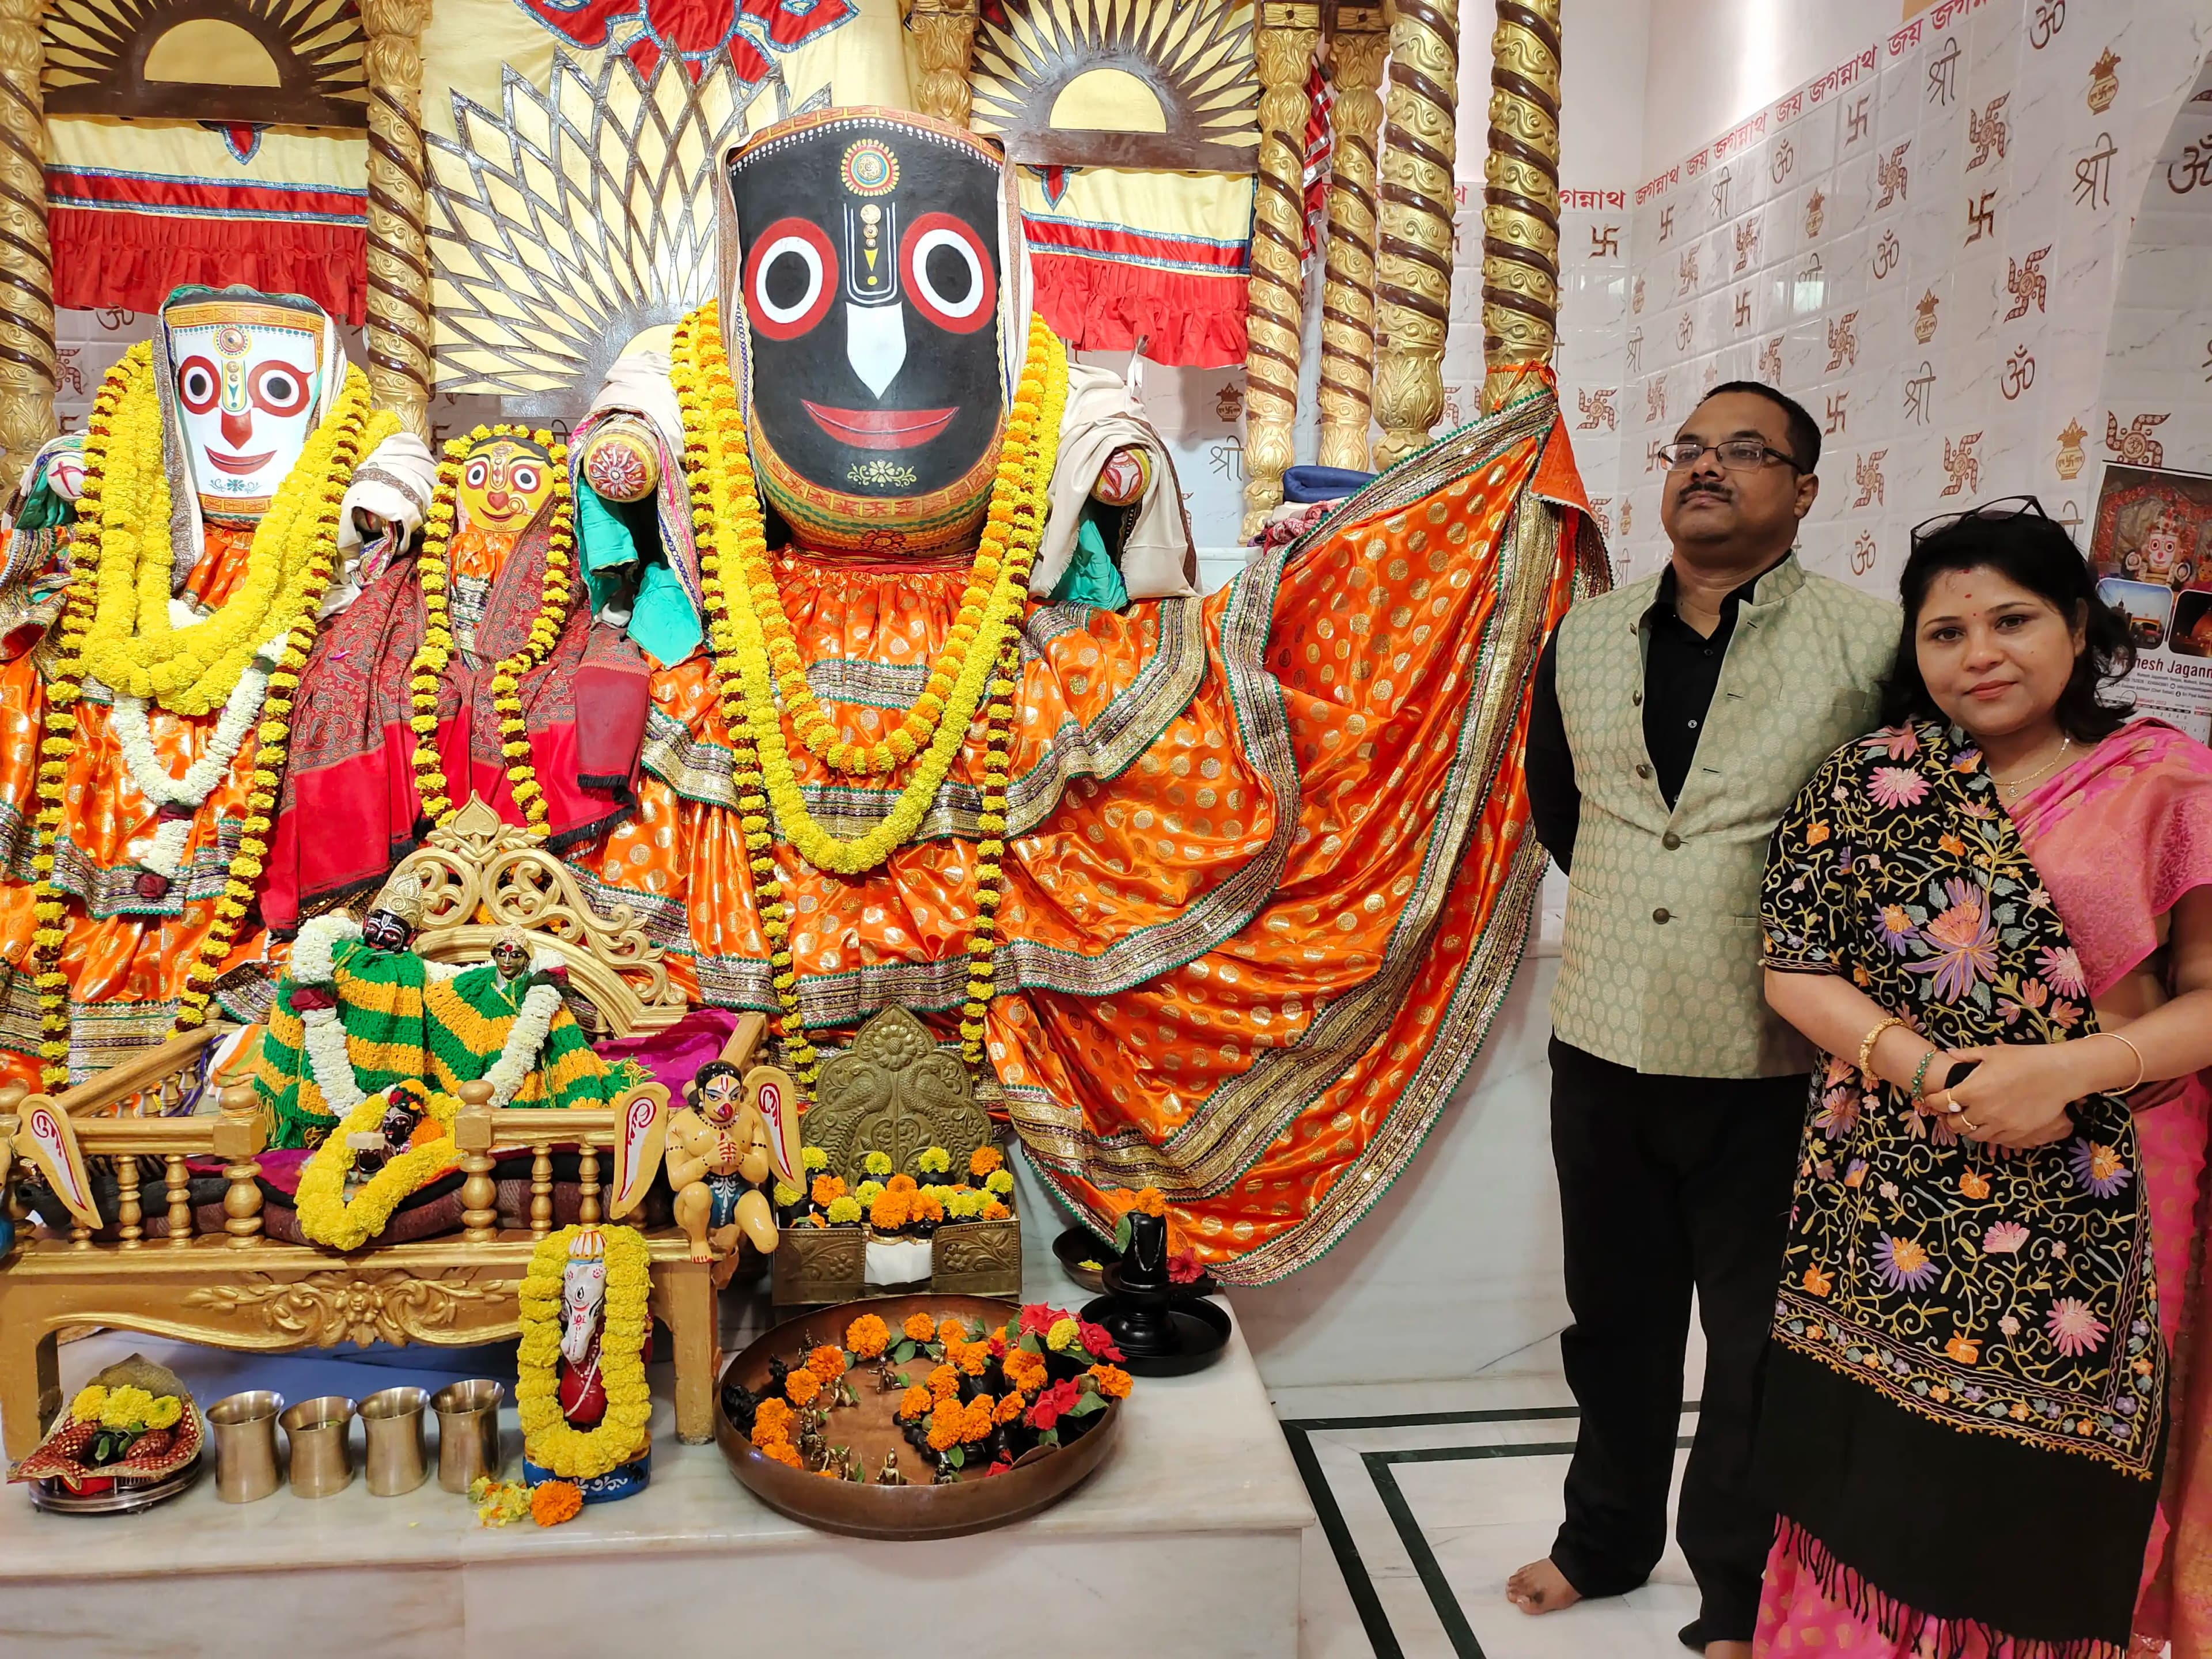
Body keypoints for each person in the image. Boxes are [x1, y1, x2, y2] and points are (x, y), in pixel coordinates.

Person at [1751, 498, 2212, 1657]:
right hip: (1898, 1181)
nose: (1980, 654)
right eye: (1945, 633)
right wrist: (1939, 1074)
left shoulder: (2164, 780)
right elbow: (1794, 967)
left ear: (2081, 627)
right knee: (1879, 1467)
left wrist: (2064, 1071)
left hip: (2112, 1191)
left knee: (2052, 1491)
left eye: (2012, 620)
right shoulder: (1873, 779)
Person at [1512, 382, 1897, 1659]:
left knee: (1757, 1350)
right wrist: (1649, 903)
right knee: (1612, 1323)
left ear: (1804, 490)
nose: (1710, 470)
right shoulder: (1586, 635)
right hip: (1604, 1042)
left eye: (1748, 452)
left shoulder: (1868, 644)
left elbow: (1890, 847)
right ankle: (1602, 1544)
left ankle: (1735, 1597)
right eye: (1691, 449)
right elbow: (1560, 810)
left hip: (1777, 1060)